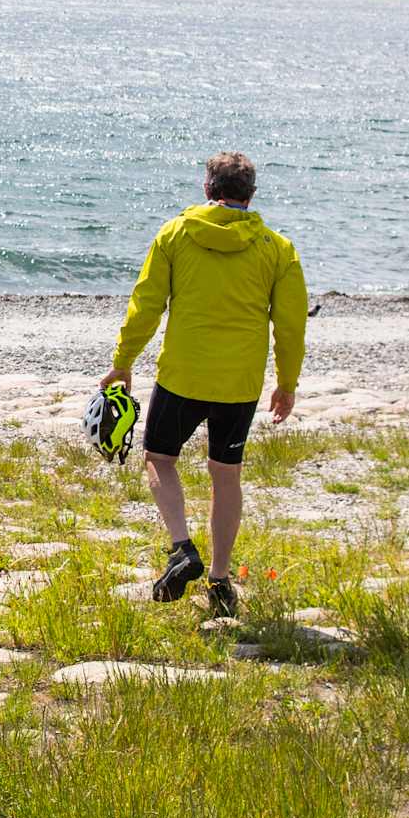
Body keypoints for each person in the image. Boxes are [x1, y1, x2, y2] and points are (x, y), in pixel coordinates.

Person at [103, 151, 308, 616]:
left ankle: (182, 547)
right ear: (250, 196)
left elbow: (146, 305)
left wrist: (123, 362)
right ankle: (219, 580)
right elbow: (291, 325)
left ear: (207, 189)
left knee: (159, 459)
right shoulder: (277, 248)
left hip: (183, 374)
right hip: (239, 383)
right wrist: (287, 381)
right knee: (225, 474)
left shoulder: (175, 234)